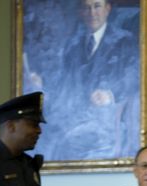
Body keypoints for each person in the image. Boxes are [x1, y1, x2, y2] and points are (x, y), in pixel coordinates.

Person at [32, 0, 139, 161]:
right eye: (86, 8)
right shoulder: (72, 44)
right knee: (50, 140)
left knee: (68, 142)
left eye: (97, 6)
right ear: (81, 12)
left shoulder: (124, 40)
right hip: (75, 116)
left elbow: (135, 75)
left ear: (107, 9)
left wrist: (111, 94)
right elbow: (63, 81)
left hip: (108, 119)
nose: (92, 13)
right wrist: (43, 83)